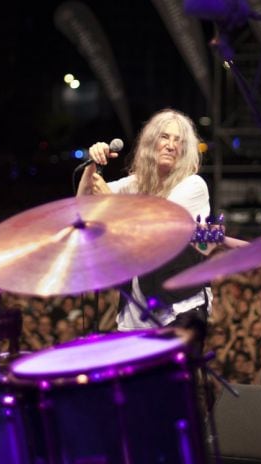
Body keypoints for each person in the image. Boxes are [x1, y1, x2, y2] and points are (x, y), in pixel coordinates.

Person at [77, 109, 212, 344]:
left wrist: (110, 203)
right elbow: (82, 208)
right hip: (134, 314)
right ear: (151, 143)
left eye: (178, 141)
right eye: (165, 137)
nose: (171, 145)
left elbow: (155, 230)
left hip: (178, 312)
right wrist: (92, 166)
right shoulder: (136, 184)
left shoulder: (193, 186)